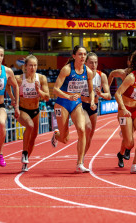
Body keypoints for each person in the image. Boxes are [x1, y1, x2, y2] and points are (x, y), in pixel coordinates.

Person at [51, 45, 95, 173]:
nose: (83, 57)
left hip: (76, 103)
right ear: (74, 56)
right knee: (65, 139)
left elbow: (91, 91)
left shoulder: (88, 72)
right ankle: (56, 135)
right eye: (80, 54)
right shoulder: (67, 69)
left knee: (82, 130)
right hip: (62, 103)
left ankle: (79, 164)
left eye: (84, 54)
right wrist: (68, 96)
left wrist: (92, 101)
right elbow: (55, 89)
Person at [10, 55, 50, 172]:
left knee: (33, 139)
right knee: (30, 126)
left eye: (35, 65)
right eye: (30, 65)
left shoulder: (41, 78)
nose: (33, 68)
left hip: (35, 111)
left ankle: (25, 163)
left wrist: (39, 91)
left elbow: (47, 97)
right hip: (23, 110)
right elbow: (7, 84)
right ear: (25, 66)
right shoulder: (18, 79)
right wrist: (13, 98)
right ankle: (24, 153)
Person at [81, 52, 111, 163]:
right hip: (81, 105)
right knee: (87, 127)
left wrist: (102, 94)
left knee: (90, 135)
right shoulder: (81, 74)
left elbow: (109, 96)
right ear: (85, 63)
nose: (93, 65)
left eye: (95, 62)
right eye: (91, 62)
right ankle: (80, 160)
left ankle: (82, 157)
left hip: (94, 107)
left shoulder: (101, 76)